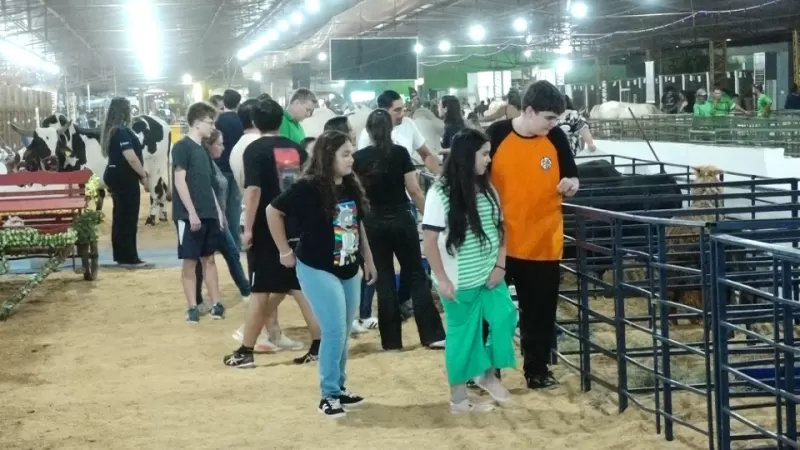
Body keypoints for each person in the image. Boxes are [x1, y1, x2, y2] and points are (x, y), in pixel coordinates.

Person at [265, 130, 377, 418]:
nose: (352, 159)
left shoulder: (350, 185)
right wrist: (284, 251)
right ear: (328, 156)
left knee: (344, 330)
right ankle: (328, 394)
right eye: (345, 154)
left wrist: (368, 258)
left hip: (348, 266)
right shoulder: (308, 187)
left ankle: (338, 387)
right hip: (316, 266)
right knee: (334, 330)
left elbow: (358, 225)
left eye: (351, 153)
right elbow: (272, 211)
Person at [486, 80, 578, 389]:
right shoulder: (497, 135)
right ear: (529, 111)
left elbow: (572, 175)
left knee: (540, 312)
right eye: (549, 118)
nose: (553, 124)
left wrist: (571, 184)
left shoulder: (557, 138)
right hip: (500, 244)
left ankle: (537, 370)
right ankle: (487, 369)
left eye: (556, 119)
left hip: (543, 241)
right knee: (493, 311)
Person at [422, 128, 516, 413]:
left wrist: (500, 265)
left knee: (505, 316)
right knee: (462, 337)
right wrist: (442, 279)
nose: (489, 159)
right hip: (458, 280)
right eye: (484, 154)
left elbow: (501, 229)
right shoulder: (440, 193)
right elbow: (429, 241)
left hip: (490, 276)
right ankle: (459, 400)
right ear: (467, 156)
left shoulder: (488, 189)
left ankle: (485, 372)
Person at [223, 98, 320, 368]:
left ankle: (246, 351)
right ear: (281, 120)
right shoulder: (295, 149)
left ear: (255, 122)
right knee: (300, 288)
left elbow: (253, 191)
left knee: (260, 290)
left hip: (266, 229)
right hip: (295, 226)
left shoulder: (254, 150)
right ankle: (319, 345)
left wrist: (248, 228)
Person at [353, 109, 446, 350]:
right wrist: (430, 217)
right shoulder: (400, 153)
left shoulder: (358, 158)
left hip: (373, 222)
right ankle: (432, 335)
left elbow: (357, 195)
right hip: (401, 218)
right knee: (415, 274)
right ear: (391, 129)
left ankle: (391, 341)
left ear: (368, 131)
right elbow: (414, 190)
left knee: (383, 279)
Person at [172, 101, 226, 323]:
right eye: (210, 122)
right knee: (190, 261)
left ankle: (216, 303)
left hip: (208, 213)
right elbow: (179, 181)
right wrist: (191, 213)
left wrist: (218, 211)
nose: (213, 127)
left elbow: (209, 184)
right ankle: (192, 307)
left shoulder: (203, 149)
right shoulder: (181, 147)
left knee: (209, 259)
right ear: (197, 123)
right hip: (188, 216)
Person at [195, 130, 251, 310]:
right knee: (209, 258)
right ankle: (245, 290)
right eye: (219, 144)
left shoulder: (213, 165)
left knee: (228, 254)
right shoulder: (206, 166)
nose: (223, 147)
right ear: (209, 146)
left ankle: (245, 290)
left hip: (218, 218)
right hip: (210, 219)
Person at [101, 97, 148, 267]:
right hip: (125, 177)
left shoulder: (112, 131)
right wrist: (143, 175)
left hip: (114, 176)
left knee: (120, 216)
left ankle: (121, 255)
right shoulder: (122, 132)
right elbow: (131, 157)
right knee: (128, 217)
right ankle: (130, 256)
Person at [214, 89, 245, 251]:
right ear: (238, 103)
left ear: (223, 102)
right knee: (235, 208)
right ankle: (235, 243)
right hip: (237, 168)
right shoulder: (242, 120)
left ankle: (220, 243)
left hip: (220, 168)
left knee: (220, 207)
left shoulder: (217, 120)